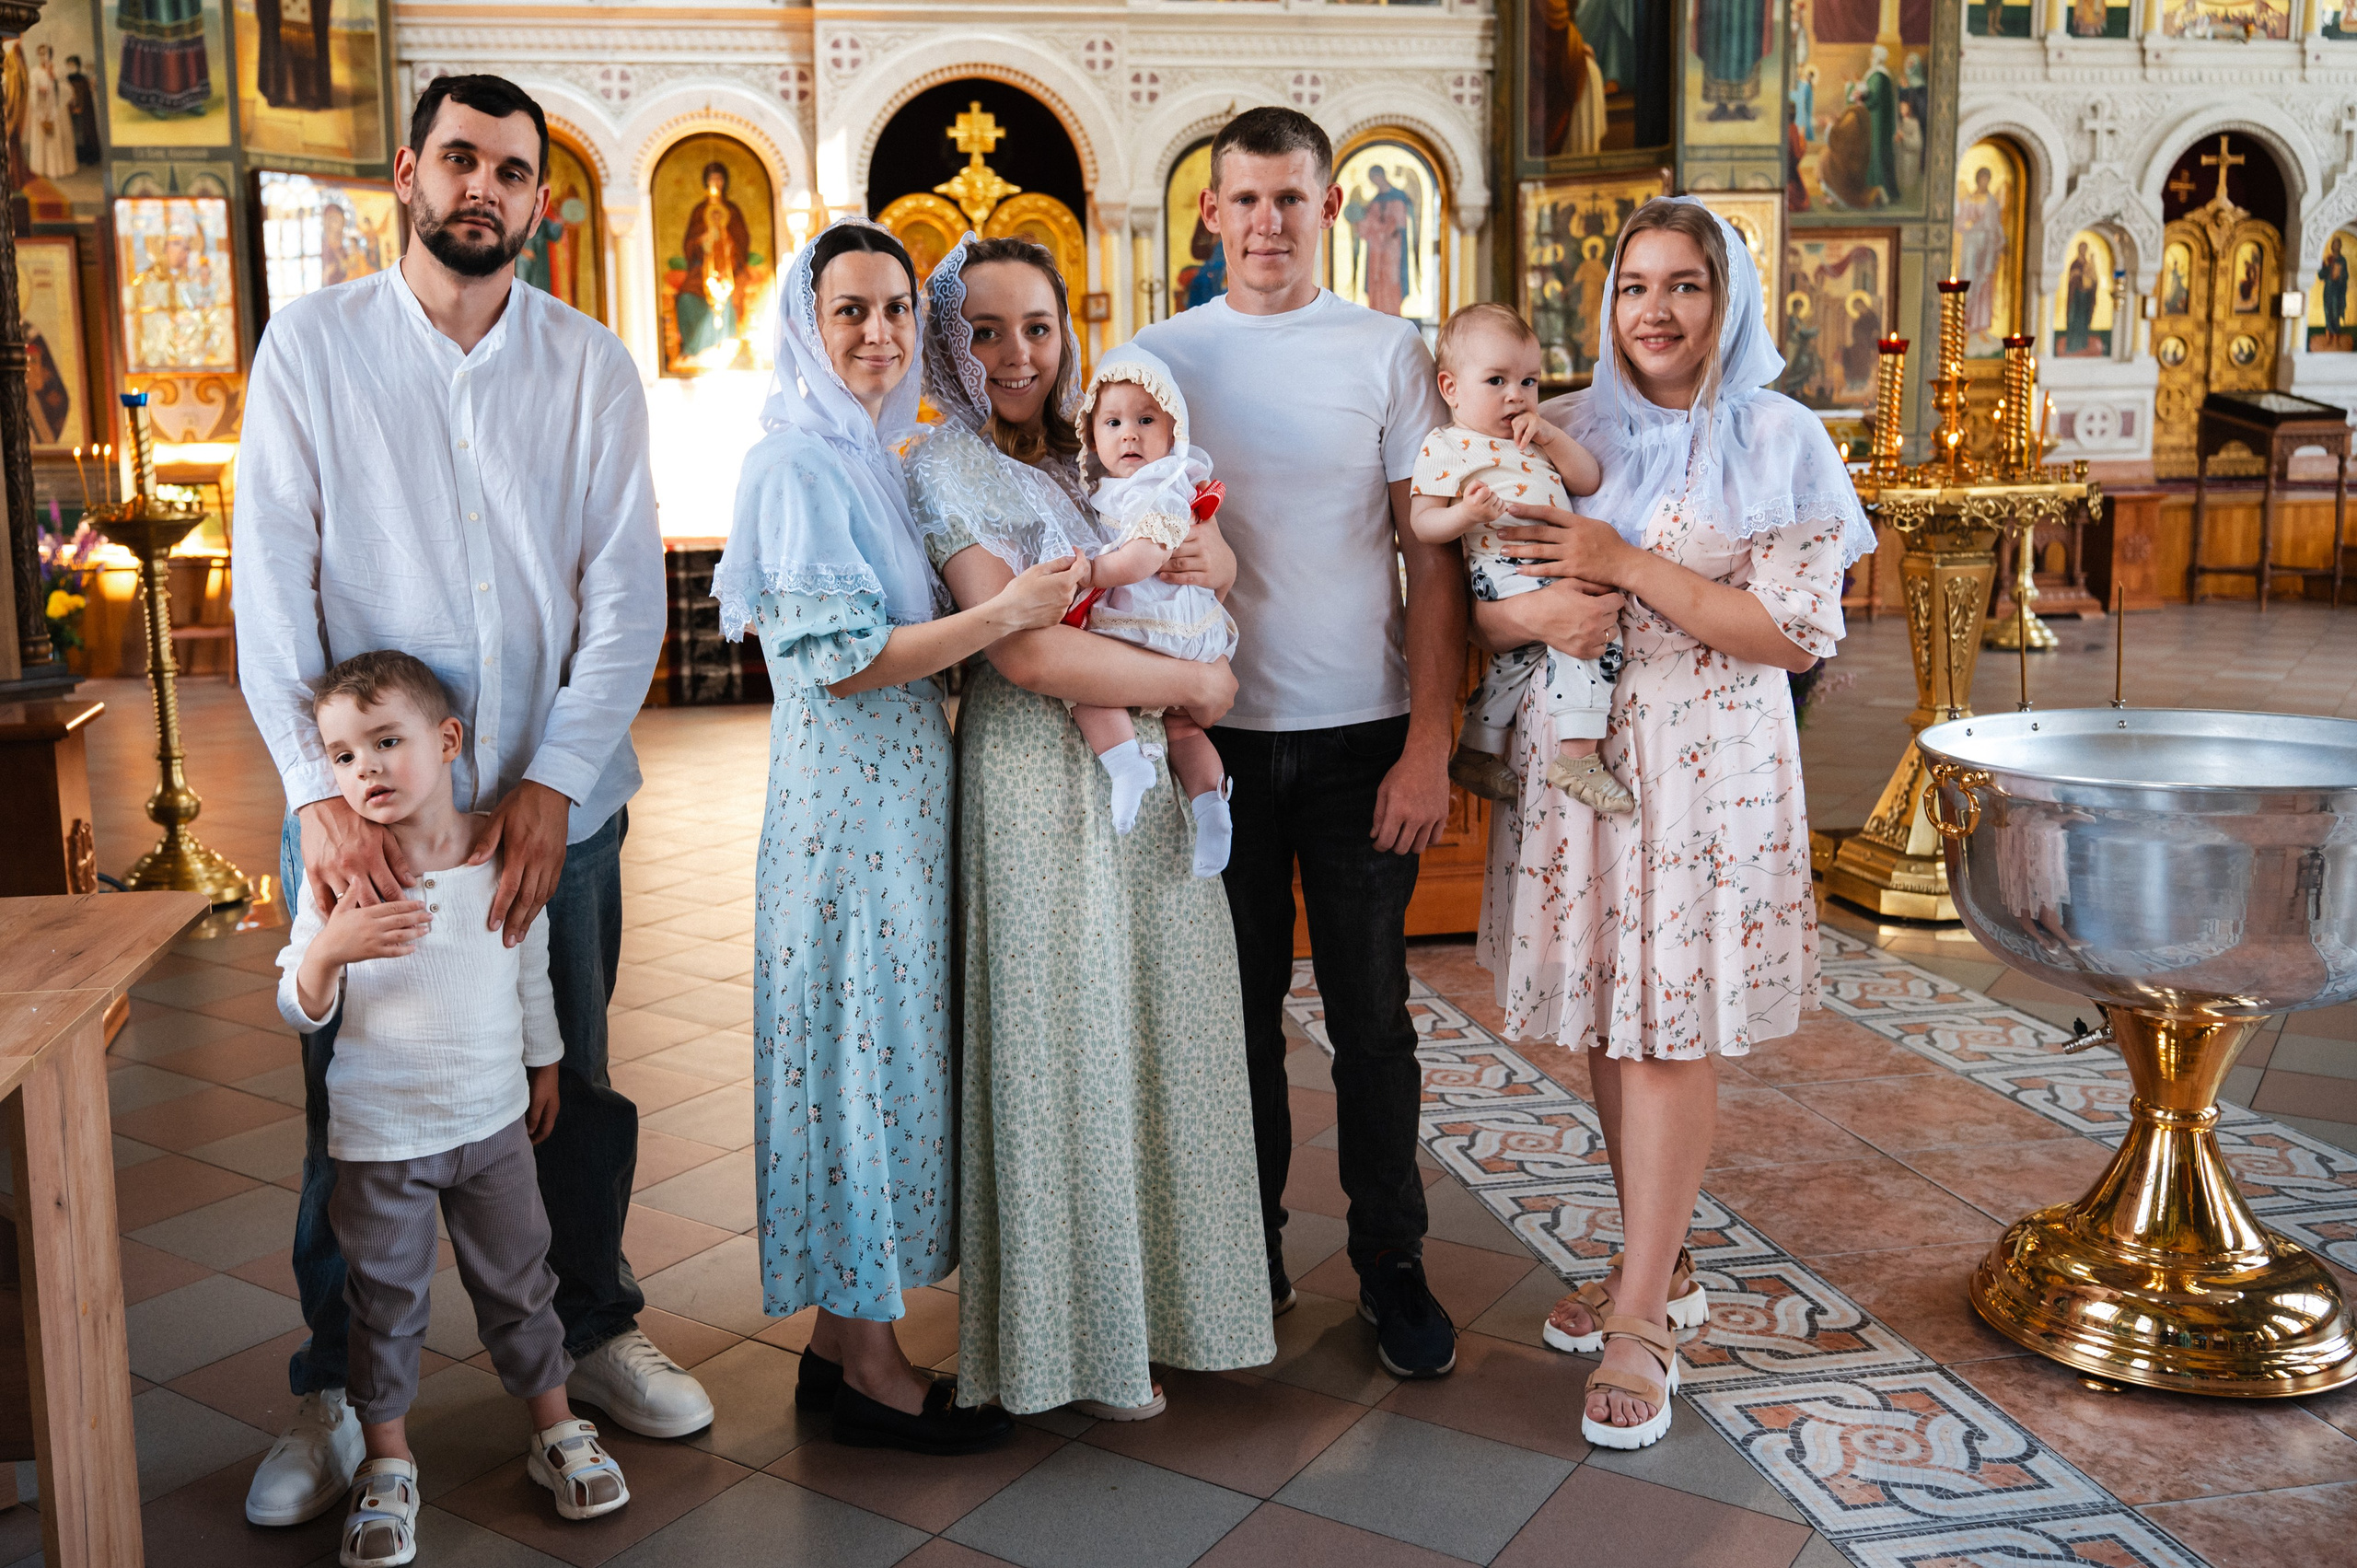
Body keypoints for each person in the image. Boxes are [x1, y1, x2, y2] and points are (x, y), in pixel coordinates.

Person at [232, 74, 711, 1531]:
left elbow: (622, 596)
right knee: (350, 1108)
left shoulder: (588, 367)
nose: (481, 189)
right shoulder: (312, 351)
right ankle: (334, 1386)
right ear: (406, 172)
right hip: (373, 815)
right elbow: (272, 583)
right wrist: (319, 794)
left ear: (541, 202)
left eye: (511, 170)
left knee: (571, 1085)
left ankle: (590, 1327)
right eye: (459, 159)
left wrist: (559, 776)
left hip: (553, 808)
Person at [1476, 197, 1874, 1449]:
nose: (1657, 309)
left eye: (1686, 284)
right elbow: (1488, 595)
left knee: (1668, 1024)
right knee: (1608, 1008)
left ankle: (1643, 1314)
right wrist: (1538, 613)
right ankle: (1668, 1259)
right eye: (1635, 284)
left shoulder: (1778, 435)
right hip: (1583, 760)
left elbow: (1789, 630)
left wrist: (1626, 561)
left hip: (1710, 763)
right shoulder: (1566, 424)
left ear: (1729, 296)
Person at [713, 217, 1076, 1456]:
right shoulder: (797, 466)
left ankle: (835, 1344)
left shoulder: (873, 455)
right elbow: (846, 658)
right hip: (845, 817)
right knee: (854, 1065)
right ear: (808, 330)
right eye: (849, 312)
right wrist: (1013, 614)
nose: (877, 335)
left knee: (878, 1055)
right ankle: (872, 1368)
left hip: (897, 808)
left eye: (892, 313)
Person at [909, 232, 1273, 1419]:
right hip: (1032, 775)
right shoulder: (948, 467)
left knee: (1157, 1022)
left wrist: (1207, 561)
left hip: (1132, 772)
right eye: (985, 329)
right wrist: (1197, 692)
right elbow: (1023, 646)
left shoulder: (1094, 453)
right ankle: (1075, 1337)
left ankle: (1169, 1309)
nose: (1017, 354)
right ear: (946, 343)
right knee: (1066, 1041)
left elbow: (1194, 556)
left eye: (1038, 326)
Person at [1132, 107, 1464, 1380]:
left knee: (1373, 1020)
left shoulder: (1388, 352)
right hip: (1211, 742)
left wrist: (1428, 738)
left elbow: (1427, 561)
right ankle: (1246, 1257)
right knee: (1235, 1018)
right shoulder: (1161, 359)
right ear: (1209, 214)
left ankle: (1392, 1264)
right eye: (1245, 201)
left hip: (1359, 739)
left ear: (1332, 210)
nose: (1267, 223)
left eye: (1291, 200)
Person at [279, 652, 630, 1566]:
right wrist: (330, 951)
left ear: (446, 740)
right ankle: (388, 1460)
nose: (367, 771)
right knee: (385, 1301)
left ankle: (554, 1425)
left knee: (521, 1280)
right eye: (344, 756)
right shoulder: (346, 874)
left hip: (493, 1126)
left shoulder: (494, 850)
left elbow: (527, 957)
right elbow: (296, 1002)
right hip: (380, 1140)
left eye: (386, 742)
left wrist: (546, 1062)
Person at [1412, 303, 1624, 815]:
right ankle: (1577, 754)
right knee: (1584, 631)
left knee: (1523, 655)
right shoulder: (1449, 445)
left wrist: (1550, 435)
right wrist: (1464, 514)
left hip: (1544, 565)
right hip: (1502, 562)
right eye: (1496, 380)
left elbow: (1588, 480)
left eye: (1529, 381)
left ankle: (1478, 746)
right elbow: (1423, 523)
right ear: (1451, 389)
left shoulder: (1534, 435)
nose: (1516, 395)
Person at [1069, 342, 1237, 871]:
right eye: (1112, 423)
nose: (1129, 435)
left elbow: (1146, 557)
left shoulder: (1163, 488)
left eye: (1146, 419)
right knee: (1184, 729)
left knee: (1084, 686)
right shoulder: (1111, 490)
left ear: (1173, 432)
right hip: (1165, 626)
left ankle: (1126, 766)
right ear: (1092, 435)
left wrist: (1094, 572)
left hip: (1151, 623)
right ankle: (1211, 809)